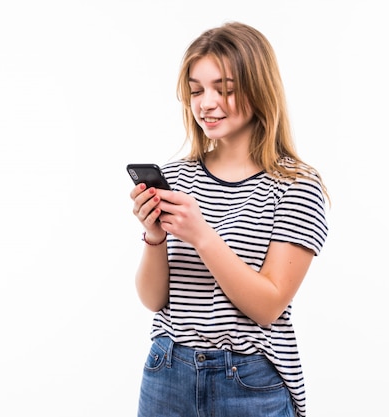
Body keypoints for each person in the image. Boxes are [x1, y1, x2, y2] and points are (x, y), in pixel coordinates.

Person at [129, 21, 329, 417]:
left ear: (258, 89)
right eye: (196, 90)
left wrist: (202, 235)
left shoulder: (295, 186)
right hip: (167, 371)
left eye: (225, 89)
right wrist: (154, 236)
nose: (206, 103)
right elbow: (155, 301)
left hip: (249, 383)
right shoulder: (179, 176)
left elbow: (268, 306)